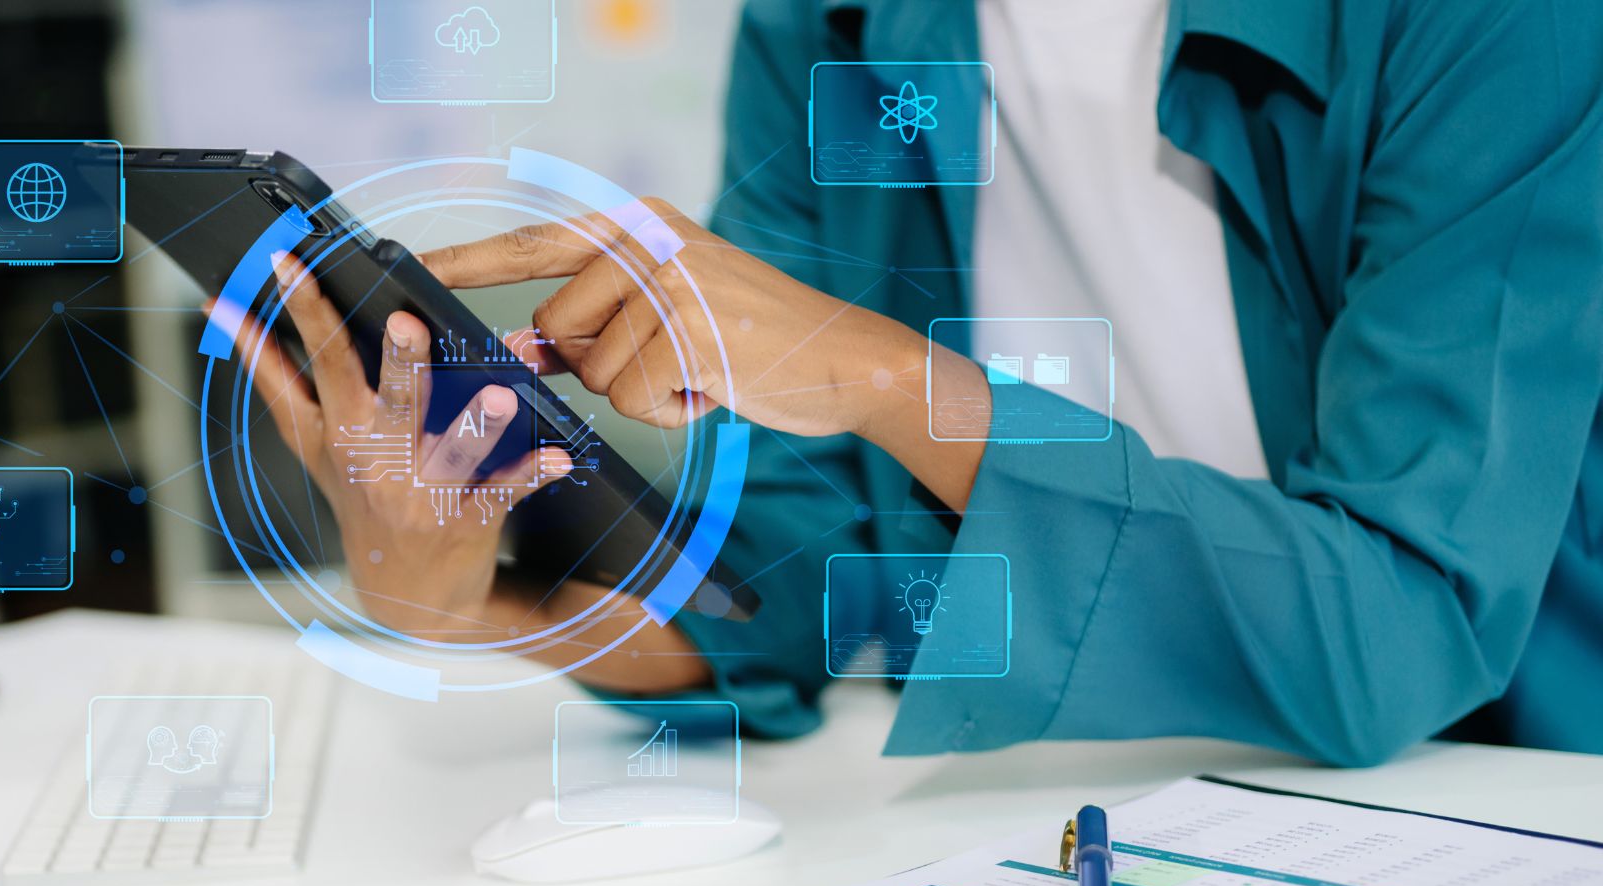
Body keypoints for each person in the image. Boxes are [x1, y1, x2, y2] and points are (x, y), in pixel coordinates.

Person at [244, 0, 1603, 765]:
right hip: (1073, 812)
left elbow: (1396, 628)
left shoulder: (1492, 25)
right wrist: (470, 605)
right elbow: (778, 595)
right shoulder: (828, 21)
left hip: (1498, 806)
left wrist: (886, 379)